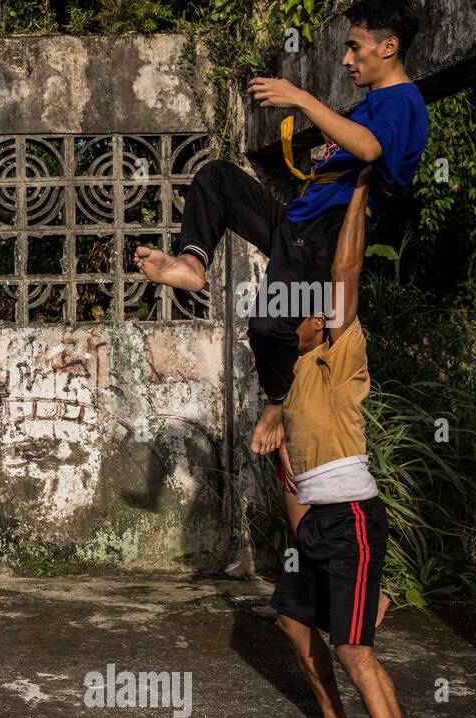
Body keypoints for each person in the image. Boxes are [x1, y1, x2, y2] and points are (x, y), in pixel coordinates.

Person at [134, 0, 428, 456]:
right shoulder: (374, 102)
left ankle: (277, 402)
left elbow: (370, 150)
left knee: (269, 326)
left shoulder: (404, 101)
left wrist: (303, 98)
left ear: (388, 47)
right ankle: (192, 261)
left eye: (355, 48)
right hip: (298, 221)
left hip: (326, 235)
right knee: (217, 178)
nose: (346, 60)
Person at [269, 169, 429, 718]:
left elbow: (346, 272)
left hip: (355, 519)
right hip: (315, 524)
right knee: (291, 622)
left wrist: (358, 195)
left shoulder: (340, 353)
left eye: (310, 310)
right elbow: (290, 474)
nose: (304, 314)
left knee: (354, 650)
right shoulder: (290, 377)